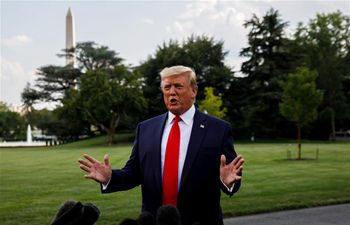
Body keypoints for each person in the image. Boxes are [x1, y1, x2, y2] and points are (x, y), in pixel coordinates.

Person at [78, 65, 244, 225]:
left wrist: (227, 182)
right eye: (167, 87)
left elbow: (231, 173)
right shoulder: (146, 128)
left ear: (194, 91)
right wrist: (110, 178)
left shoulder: (218, 129)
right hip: (154, 220)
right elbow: (134, 173)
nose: (172, 92)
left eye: (178, 86)